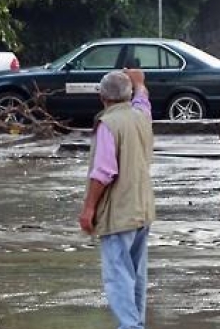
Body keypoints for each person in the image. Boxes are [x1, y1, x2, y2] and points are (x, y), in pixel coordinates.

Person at [78, 63, 155, 329]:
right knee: (136, 274)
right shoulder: (140, 115)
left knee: (118, 275)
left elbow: (103, 173)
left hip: (119, 213)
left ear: (102, 97)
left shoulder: (108, 123)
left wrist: (88, 209)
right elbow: (143, 100)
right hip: (143, 210)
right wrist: (139, 83)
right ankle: (136, 323)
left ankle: (130, 326)